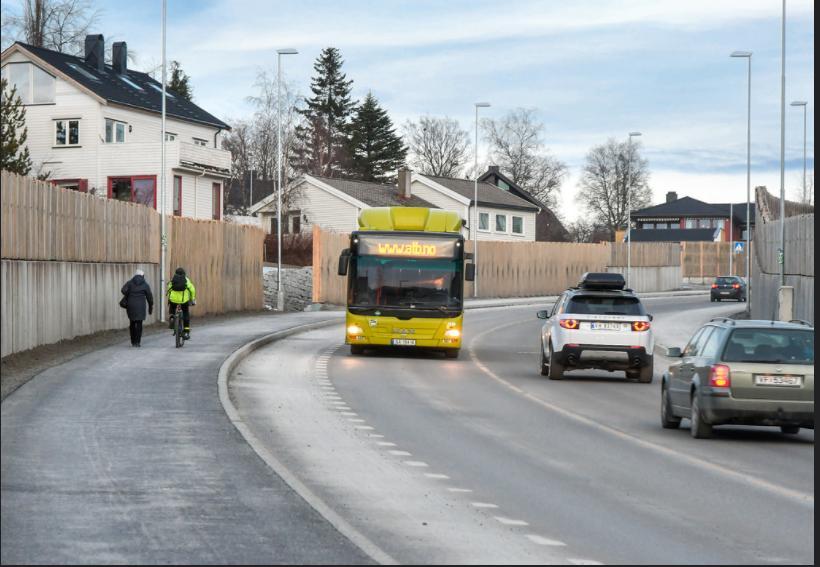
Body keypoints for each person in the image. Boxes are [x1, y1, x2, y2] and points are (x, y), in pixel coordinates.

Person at [121, 269, 154, 347]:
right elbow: (149, 297)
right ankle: (137, 342)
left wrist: (129, 293)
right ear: (143, 276)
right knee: (139, 324)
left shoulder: (130, 283)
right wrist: (150, 307)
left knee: (132, 323)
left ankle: (133, 341)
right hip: (141, 306)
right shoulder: (145, 285)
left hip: (131, 305)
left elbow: (123, 290)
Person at [167, 267, 196, 340]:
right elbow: (192, 289)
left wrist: (169, 299)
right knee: (186, 312)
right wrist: (192, 299)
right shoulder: (186, 280)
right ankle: (186, 331)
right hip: (184, 301)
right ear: (184, 273)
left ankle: (172, 318)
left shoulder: (173, 280)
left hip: (173, 300)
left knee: (172, 307)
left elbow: (169, 289)